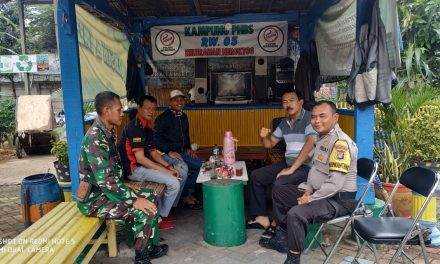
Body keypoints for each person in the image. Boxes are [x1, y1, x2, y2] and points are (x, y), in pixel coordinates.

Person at [261, 101, 358, 264]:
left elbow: (335, 184)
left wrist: (310, 199)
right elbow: (315, 171)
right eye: (313, 117)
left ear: (335, 117)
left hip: (339, 200)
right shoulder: (322, 138)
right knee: (278, 191)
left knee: (297, 213)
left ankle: (293, 258)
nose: (316, 121)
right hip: (321, 194)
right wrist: (307, 189)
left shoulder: (340, 144)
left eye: (322, 116)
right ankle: (284, 235)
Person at [76, 91, 167, 264]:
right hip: (95, 199)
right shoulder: (96, 138)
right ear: (106, 110)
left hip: (106, 192)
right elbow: (107, 182)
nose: (122, 113)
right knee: (143, 210)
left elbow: (109, 172)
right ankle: (141, 257)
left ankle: (149, 245)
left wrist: (125, 183)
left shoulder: (107, 132)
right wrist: (133, 201)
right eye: (118, 110)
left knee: (151, 196)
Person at [247, 89, 317, 233]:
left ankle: (281, 224)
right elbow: (269, 144)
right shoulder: (284, 123)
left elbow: (310, 143)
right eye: (284, 101)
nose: (288, 104)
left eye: (291, 100)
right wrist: (263, 137)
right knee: (256, 176)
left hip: (306, 166)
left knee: (280, 183)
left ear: (301, 102)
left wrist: (291, 169)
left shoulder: (309, 119)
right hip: (289, 163)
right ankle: (261, 217)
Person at [119, 95, 189, 230]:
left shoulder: (147, 127)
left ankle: (165, 212)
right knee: (174, 182)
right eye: (147, 109)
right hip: (134, 171)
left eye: (153, 108)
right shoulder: (135, 128)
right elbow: (140, 159)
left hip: (143, 166)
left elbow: (154, 153)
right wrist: (167, 171)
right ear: (139, 108)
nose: (151, 112)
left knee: (179, 173)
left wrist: (169, 166)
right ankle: (159, 218)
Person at [153, 89, 202, 209]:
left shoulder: (183, 116)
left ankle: (186, 194)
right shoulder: (162, 119)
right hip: (166, 154)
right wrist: (169, 152)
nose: (180, 102)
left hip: (182, 152)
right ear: (170, 102)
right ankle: (184, 198)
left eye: (181, 100)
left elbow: (186, 135)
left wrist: (188, 148)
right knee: (183, 171)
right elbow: (156, 139)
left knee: (202, 167)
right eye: (176, 100)